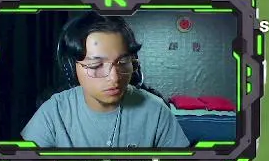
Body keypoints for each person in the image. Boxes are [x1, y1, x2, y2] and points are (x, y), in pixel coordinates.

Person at [21, 13, 189, 149]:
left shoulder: (156, 111)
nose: (114, 78)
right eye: (96, 65)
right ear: (72, 68)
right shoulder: (54, 111)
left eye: (123, 62)